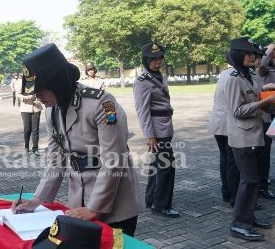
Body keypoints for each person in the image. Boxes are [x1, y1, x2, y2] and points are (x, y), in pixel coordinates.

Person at [11, 44, 144, 237]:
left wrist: (94, 209)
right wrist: (37, 199)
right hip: (80, 201)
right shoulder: (52, 110)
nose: (37, 97)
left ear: (56, 82)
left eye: (40, 90)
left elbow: (114, 160)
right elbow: (56, 160)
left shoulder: (102, 104)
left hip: (114, 203)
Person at [224, 37, 275, 241]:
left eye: (254, 53)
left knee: (253, 181)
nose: (252, 56)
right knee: (249, 180)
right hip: (242, 137)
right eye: (248, 53)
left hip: (254, 134)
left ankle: (249, 217)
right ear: (237, 55)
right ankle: (239, 224)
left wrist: (265, 95)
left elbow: (253, 97)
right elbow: (237, 110)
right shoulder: (233, 78)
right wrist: (264, 103)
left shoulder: (249, 74)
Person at [133, 43, 179, 218]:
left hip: (165, 126)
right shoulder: (142, 81)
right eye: (154, 59)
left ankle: (151, 199)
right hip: (157, 131)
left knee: (157, 165)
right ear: (146, 60)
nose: (158, 61)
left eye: (160, 58)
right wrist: (149, 136)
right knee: (167, 167)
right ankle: (161, 205)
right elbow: (142, 110)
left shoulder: (159, 76)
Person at [208, 66, 240, 207]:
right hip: (227, 122)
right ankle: (235, 196)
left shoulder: (225, 73)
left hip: (219, 121)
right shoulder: (235, 75)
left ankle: (227, 192)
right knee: (232, 161)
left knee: (225, 159)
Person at [252, 45, 275, 200]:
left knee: (267, 149)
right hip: (266, 114)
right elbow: (263, 62)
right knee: (264, 151)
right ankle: (262, 185)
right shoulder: (263, 69)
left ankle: (264, 180)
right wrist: (270, 47)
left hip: (272, 115)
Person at [16, 75, 43, 155]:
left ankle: (35, 148)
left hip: (36, 108)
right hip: (25, 108)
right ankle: (26, 147)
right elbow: (17, 94)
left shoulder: (38, 83)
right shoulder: (23, 83)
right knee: (27, 129)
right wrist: (27, 97)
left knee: (35, 130)